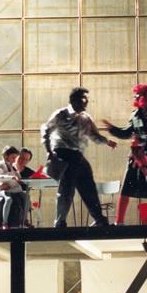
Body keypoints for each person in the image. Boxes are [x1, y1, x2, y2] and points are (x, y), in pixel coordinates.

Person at [41, 87, 117, 228]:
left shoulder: (85, 118)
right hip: (63, 154)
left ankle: (99, 219)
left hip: (78, 156)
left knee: (88, 187)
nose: (86, 101)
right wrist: (49, 151)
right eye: (84, 98)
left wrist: (107, 141)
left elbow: (94, 135)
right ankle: (60, 222)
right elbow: (46, 130)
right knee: (66, 189)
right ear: (74, 100)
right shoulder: (61, 114)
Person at [101, 83, 147, 225]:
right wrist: (112, 129)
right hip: (136, 155)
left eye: (139, 95)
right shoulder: (135, 114)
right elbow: (127, 132)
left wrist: (142, 139)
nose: (136, 97)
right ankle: (119, 221)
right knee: (126, 188)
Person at [0, 145, 28, 228]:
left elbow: (17, 176)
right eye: (13, 157)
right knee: (8, 199)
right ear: (6, 156)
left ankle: (25, 220)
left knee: (26, 197)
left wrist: (17, 174)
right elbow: (0, 176)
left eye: (15, 158)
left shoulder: (11, 165)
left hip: (12, 188)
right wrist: (12, 177)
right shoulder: (0, 164)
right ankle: (4, 222)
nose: (14, 160)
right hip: (4, 189)